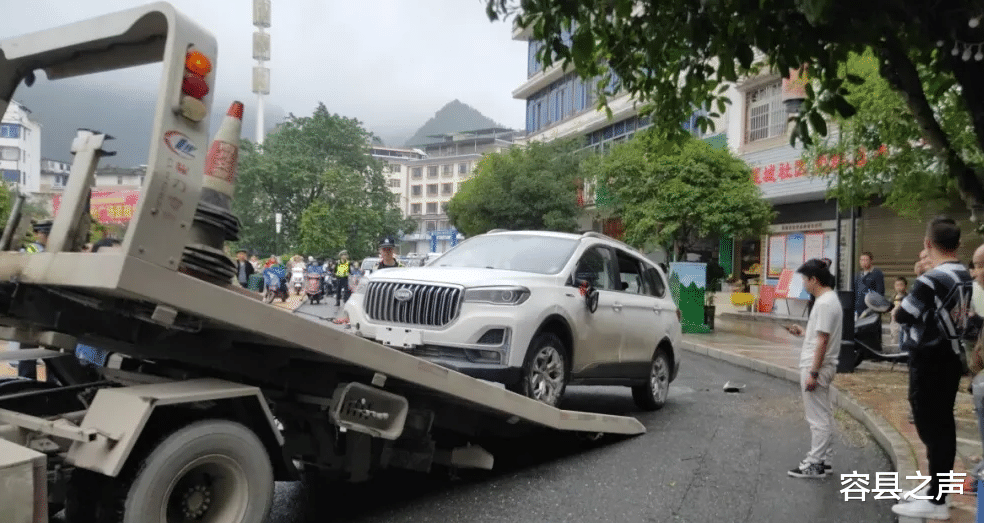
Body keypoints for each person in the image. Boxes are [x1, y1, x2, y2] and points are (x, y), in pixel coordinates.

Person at [891, 216, 973, 520]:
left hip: (929, 360)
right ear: (958, 244)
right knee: (944, 426)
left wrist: (901, 304)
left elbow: (904, 314)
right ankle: (939, 492)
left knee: (931, 428)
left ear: (928, 243)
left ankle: (936, 502)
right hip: (952, 358)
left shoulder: (931, 279)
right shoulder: (965, 275)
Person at [784, 258, 842, 479]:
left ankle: (815, 463)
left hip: (817, 366)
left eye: (804, 279)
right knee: (823, 415)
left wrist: (813, 373)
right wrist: (803, 332)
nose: (803, 283)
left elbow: (823, 341)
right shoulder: (829, 300)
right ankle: (825, 460)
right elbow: (820, 336)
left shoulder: (825, 303)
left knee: (817, 419)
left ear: (814, 280)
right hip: (821, 365)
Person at [14, 220, 52, 380]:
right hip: (36, 300)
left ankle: (39, 378)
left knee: (45, 345)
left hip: (43, 301)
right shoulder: (34, 249)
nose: (42, 236)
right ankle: (29, 377)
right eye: (42, 233)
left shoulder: (51, 250)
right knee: (30, 343)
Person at [854, 251, 884, 319]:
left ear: (871, 261)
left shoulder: (877, 274)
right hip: (858, 310)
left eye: (866, 260)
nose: (863, 262)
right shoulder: (857, 275)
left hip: (870, 310)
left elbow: (880, 293)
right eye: (861, 260)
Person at [889, 277, 908, 348]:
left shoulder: (908, 297)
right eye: (897, 285)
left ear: (905, 286)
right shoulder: (893, 297)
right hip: (894, 323)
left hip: (903, 323)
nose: (899, 287)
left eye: (901, 285)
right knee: (894, 341)